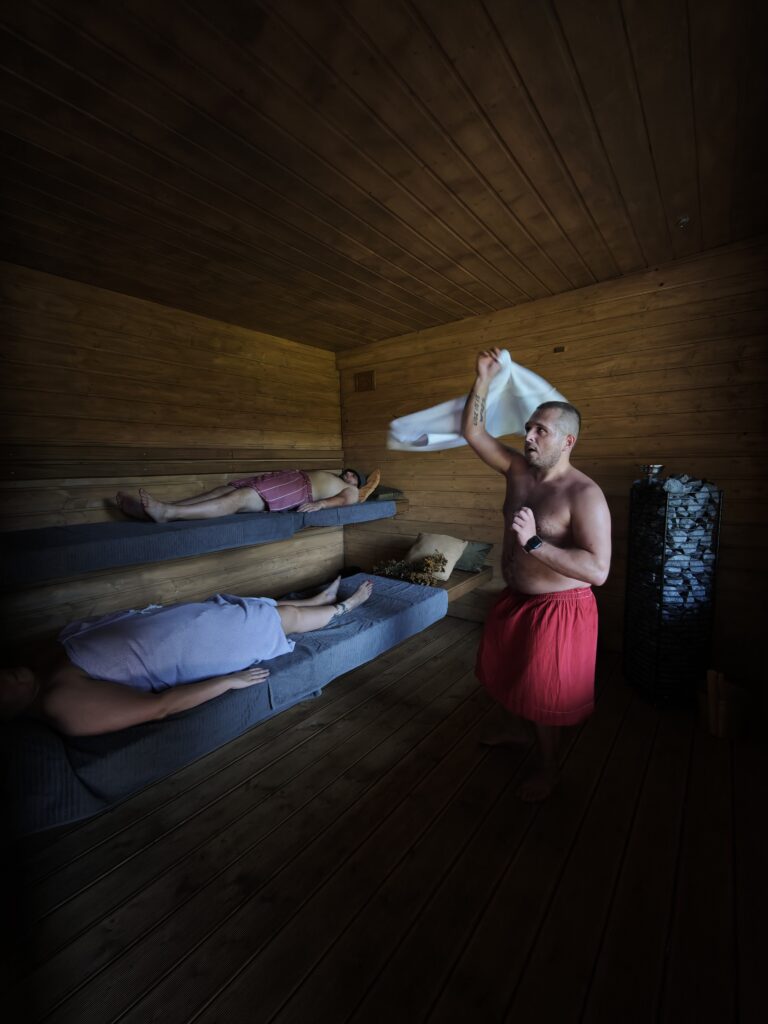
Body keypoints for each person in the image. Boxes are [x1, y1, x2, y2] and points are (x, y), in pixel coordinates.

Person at [461, 347, 611, 801]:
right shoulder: (517, 471)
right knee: (504, 672)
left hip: (560, 608)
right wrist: (483, 378)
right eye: (528, 427)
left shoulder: (584, 494)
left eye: (540, 430)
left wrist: (534, 543)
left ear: (567, 441)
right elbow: (473, 432)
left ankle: (549, 770)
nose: (528, 436)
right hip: (517, 597)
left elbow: (598, 570)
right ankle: (515, 732)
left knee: (545, 696)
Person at [0, 577, 373, 737]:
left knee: (251, 608)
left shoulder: (39, 665)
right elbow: (157, 707)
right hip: (194, 650)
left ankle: (316, 600)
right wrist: (227, 681)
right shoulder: (61, 703)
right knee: (280, 621)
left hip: (181, 626)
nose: (4, 676)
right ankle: (343, 608)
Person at [115, 468, 367, 522]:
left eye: (354, 476)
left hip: (298, 490)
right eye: (347, 472)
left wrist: (321, 504)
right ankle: (163, 507)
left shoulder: (353, 491)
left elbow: (344, 501)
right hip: (287, 479)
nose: (349, 475)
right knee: (224, 490)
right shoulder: (336, 477)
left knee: (240, 498)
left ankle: (169, 513)